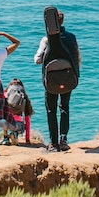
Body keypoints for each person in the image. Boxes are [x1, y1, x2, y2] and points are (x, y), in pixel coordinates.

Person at [35, 9, 81, 152]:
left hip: (51, 81)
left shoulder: (46, 40)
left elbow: (37, 60)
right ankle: (63, 140)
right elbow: (77, 57)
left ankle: (53, 143)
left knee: (51, 110)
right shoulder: (72, 37)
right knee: (64, 108)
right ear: (62, 21)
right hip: (68, 78)